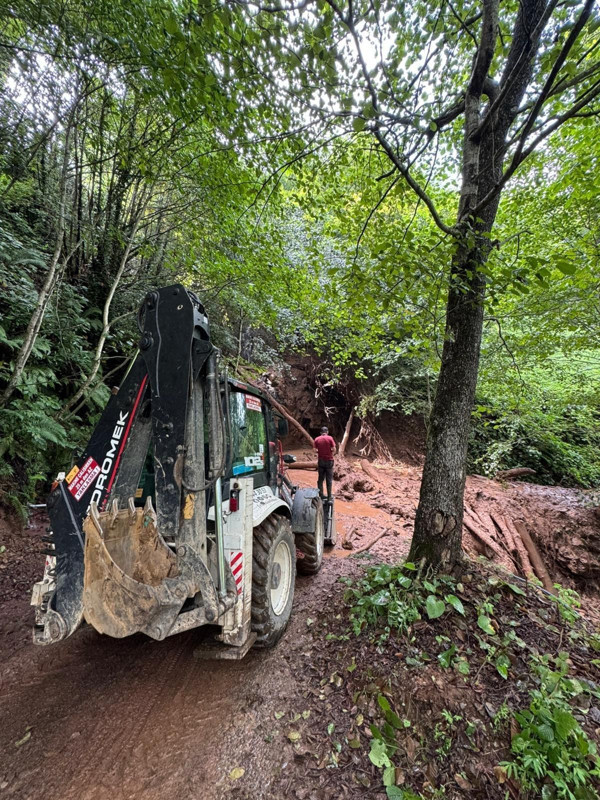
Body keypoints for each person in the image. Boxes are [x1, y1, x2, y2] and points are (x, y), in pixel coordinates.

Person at [314, 426, 336, 501]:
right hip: (329, 461)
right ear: (327, 432)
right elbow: (334, 449)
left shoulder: (317, 439)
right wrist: (331, 453)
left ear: (321, 432)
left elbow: (314, 450)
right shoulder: (330, 438)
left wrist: (319, 452)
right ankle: (329, 496)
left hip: (321, 461)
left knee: (320, 479)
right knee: (329, 479)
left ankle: (321, 495)